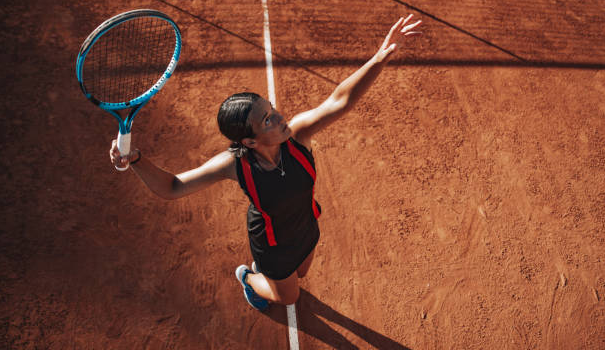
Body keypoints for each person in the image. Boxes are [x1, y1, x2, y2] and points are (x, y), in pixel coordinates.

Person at [109, 15, 422, 311]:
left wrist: (381, 57)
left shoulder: (297, 136)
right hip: (273, 245)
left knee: (301, 273)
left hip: (307, 224)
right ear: (249, 141)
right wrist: (136, 159)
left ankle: (270, 276)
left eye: (272, 109)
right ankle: (248, 277)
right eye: (268, 120)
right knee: (288, 298)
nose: (280, 118)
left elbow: (340, 101)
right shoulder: (234, 165)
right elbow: (173, 187)